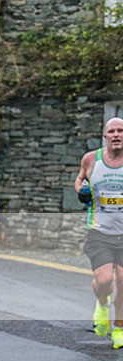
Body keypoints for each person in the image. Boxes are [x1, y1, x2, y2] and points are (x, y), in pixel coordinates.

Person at [75, 117, 123, 349]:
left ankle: (119, 328)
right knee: (104, 280)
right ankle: (102, 304)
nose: (116, 134)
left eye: (120, 131)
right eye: (112, 131)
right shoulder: (92, 159)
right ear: (105, 136)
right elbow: (80, 179)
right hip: (100, 232)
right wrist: (82, 192)